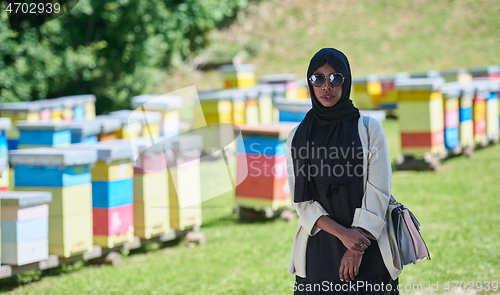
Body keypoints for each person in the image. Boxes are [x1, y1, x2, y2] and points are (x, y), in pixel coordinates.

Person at [286, 48, 402, 294]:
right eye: (318, 78)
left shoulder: (369, 129)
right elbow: (303, 201)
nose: (326, 86)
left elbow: (378, 191)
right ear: (310, 83)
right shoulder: (298, 136)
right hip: (319, 247)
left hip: (368, 244)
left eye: (335, 78)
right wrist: (343, 235)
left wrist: (355, 246)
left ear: (346, 81)